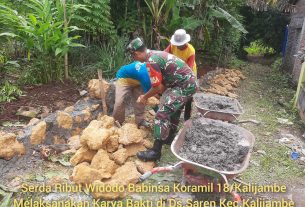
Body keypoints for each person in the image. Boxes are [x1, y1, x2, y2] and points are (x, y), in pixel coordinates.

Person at [126, 38, 197, 161]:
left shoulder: (151, 61)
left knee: (162, 114)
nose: (134, 59)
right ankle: (169, 136)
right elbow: (162, 84)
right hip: (186, 82)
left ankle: (155, 152)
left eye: (133, 56)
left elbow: (157, 87)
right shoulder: (154, 54)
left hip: (184, 85)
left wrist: (144, 97)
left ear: (136, 54)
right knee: (173, 108)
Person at [164, 29, 197, 121]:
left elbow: (188, 69)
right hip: (176, 70)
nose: (177, 47)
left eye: (180, 45)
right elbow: (164, 54)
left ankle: (187, 117)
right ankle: (175, 114)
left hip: (189, 71)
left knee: (188, 95)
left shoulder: (191, 51)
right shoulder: (172, 45)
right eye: (176, 44)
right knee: (177, 92)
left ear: (185, 42)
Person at [112, 61, 152, 128]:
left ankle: (140, 121)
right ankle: (117, 122)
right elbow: (152, 93)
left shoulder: (153, 71)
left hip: (138, 81)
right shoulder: (146, 76)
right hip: (124, 79)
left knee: (139, 101)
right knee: (119, 102)